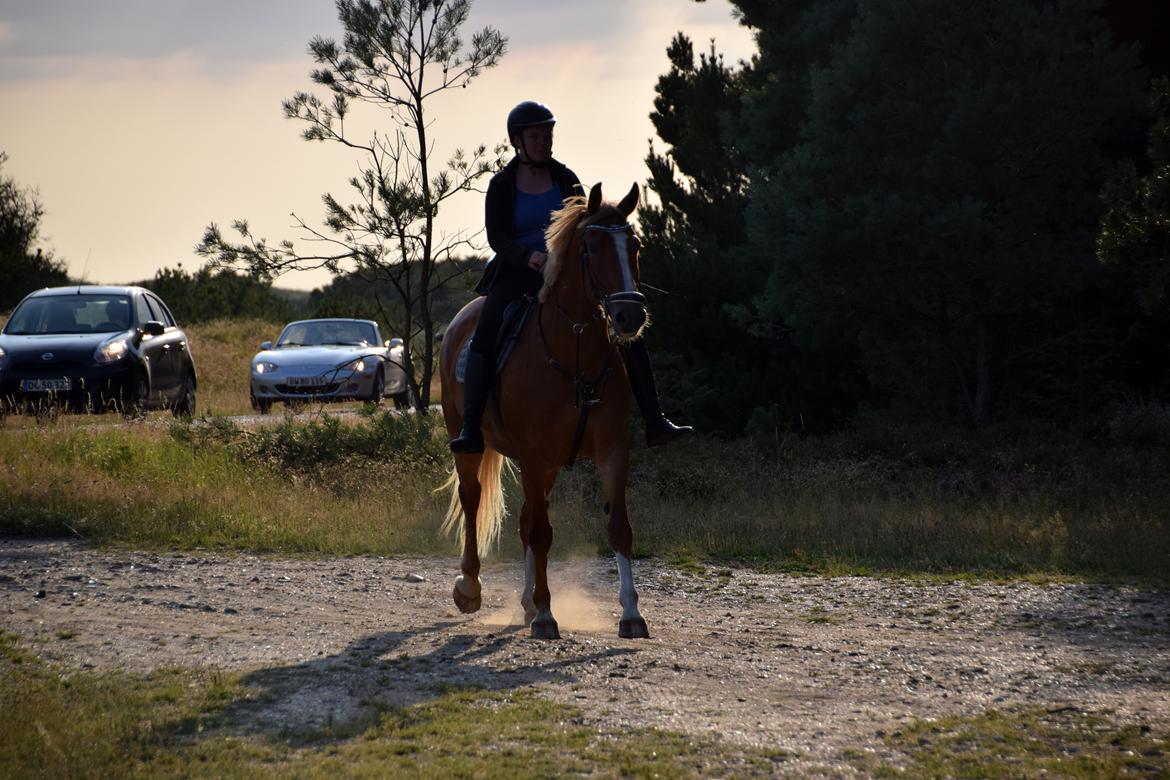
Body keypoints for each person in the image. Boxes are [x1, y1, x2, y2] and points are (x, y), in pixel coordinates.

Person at [449, 100, 692, 454]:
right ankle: (472, 426)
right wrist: (527, 255)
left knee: (629, 334)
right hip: (518, 273)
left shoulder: (565, 178)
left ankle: (655, 420)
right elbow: (496, 236)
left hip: (564, 272)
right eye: (536, 136)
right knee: (485, 331)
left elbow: (584, 226)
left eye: (548, 135)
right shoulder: (502, 184)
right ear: (518, 141)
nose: (544, 141)